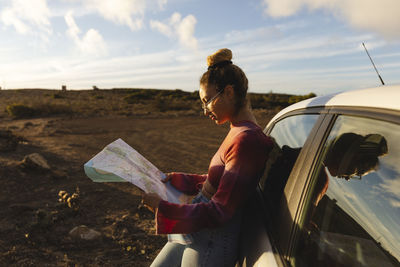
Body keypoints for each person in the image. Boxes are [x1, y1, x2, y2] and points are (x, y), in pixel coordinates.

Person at [141, 48, 274, 267]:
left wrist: (162, 208)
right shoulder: (238, 130)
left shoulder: (247, 140)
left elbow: (219, 211)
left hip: (211, 241)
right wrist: (178, 179)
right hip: (198, 230)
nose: (205, 111)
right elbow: (222, 182)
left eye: (207, 101)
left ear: (229, 92)